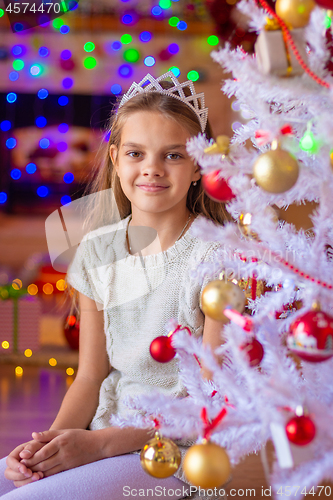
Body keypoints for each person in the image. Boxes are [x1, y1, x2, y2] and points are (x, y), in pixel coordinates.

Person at [0, 72, 229, 500]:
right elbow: (90, 375)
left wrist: (98, 445)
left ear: (198, 165)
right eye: (136, 153)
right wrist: (47, 445)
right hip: (101, 435)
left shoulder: (215, 257)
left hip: (174, 452)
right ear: (116, 159)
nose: (152, 169)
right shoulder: (96, 252)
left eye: (173, 156)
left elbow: (210, 404)